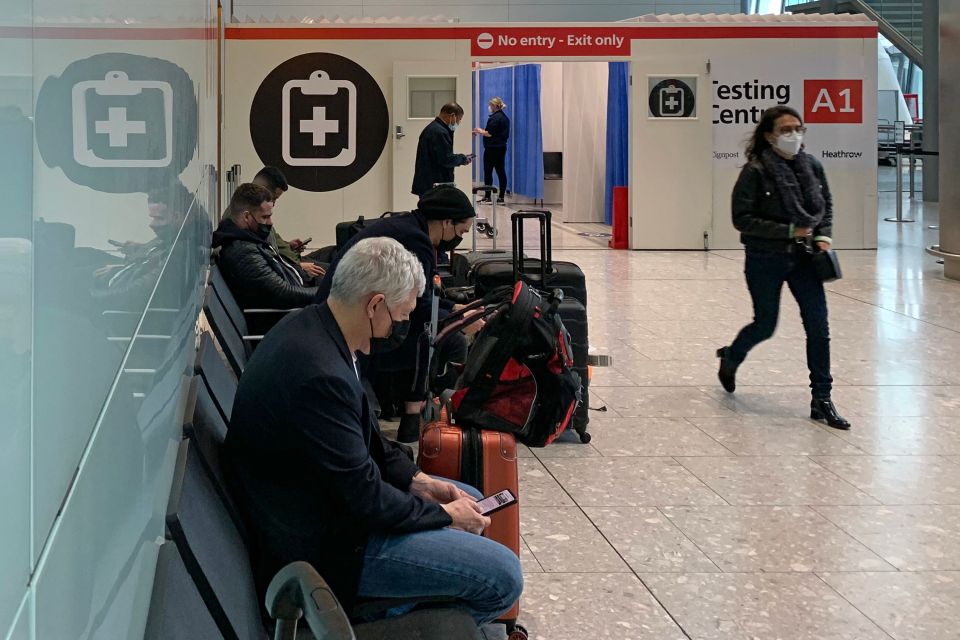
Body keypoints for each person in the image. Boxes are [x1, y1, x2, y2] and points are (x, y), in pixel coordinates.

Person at [223, 237, 523, 625]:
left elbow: (363, 436)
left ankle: (427, 600)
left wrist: (417, 482)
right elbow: (365, 498)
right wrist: (444, 516)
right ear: (375, 304)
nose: (397, 330)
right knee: (503, 577)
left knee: (471, 497)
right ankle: (396, 621)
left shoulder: (314, 328)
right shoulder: (318, 376)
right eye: (399, 318)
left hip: (325, 505)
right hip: (325, 547)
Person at [716, 105, 850, 430]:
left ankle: (822, 398)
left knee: (818, 327)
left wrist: (823, 236)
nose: (794, 135)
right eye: (786, 130)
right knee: (765, 324)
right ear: (769, 135)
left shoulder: (812, 166)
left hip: (806, 259)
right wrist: (788, 231)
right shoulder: (756, 171)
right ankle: (732, 356)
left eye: (798, 128)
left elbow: (825, 206)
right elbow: (742, 219)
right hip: (765, 258)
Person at [315, 185, 481, 443]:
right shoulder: (417, 241)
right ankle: (412, 415)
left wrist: (457, 310)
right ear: (447, 222)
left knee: (427, 328)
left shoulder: (405, 226)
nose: (459, 239)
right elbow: (421, 306)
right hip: (349, 321)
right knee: (426, 335)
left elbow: (423, 299)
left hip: (336, 311)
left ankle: (413, 415)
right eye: (460, 231)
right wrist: (461, 321)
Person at [213, 183, 318, 309]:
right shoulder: (243, 252)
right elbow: (284, 292)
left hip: (299, 288)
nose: (270, 222)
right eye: (265, 217)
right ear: (246, 216)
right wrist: (326, 292)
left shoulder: (249, 240)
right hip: (292, 312)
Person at [252, 166, 326, 279]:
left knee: (334, 253)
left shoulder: (258, 216)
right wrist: (297, 267)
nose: (274, 204)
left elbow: (272, 248)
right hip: (293, 267)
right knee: (338, 271)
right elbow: (269, 260)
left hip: (292, 262)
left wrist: (288, 245)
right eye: (274, 198)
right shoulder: (252, 219)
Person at [411, 102, 472, 197]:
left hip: (428, 183)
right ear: (452, 116)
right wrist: (463, 159)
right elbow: (446, 159)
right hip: (435, 185)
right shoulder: (440, 132)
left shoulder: (433, 128)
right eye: (459, 120)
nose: (458, 123)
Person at [473, 97, 510, 204]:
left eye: (490, 105)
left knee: (488, 172)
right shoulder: (505, 118)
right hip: (501, 148)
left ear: (495, 106)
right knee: (501, 171)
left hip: (492, 149)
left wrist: (479, 130)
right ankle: (501, 197)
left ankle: (487, 197)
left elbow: (489, 133)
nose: (489, 107)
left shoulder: (495, 118)